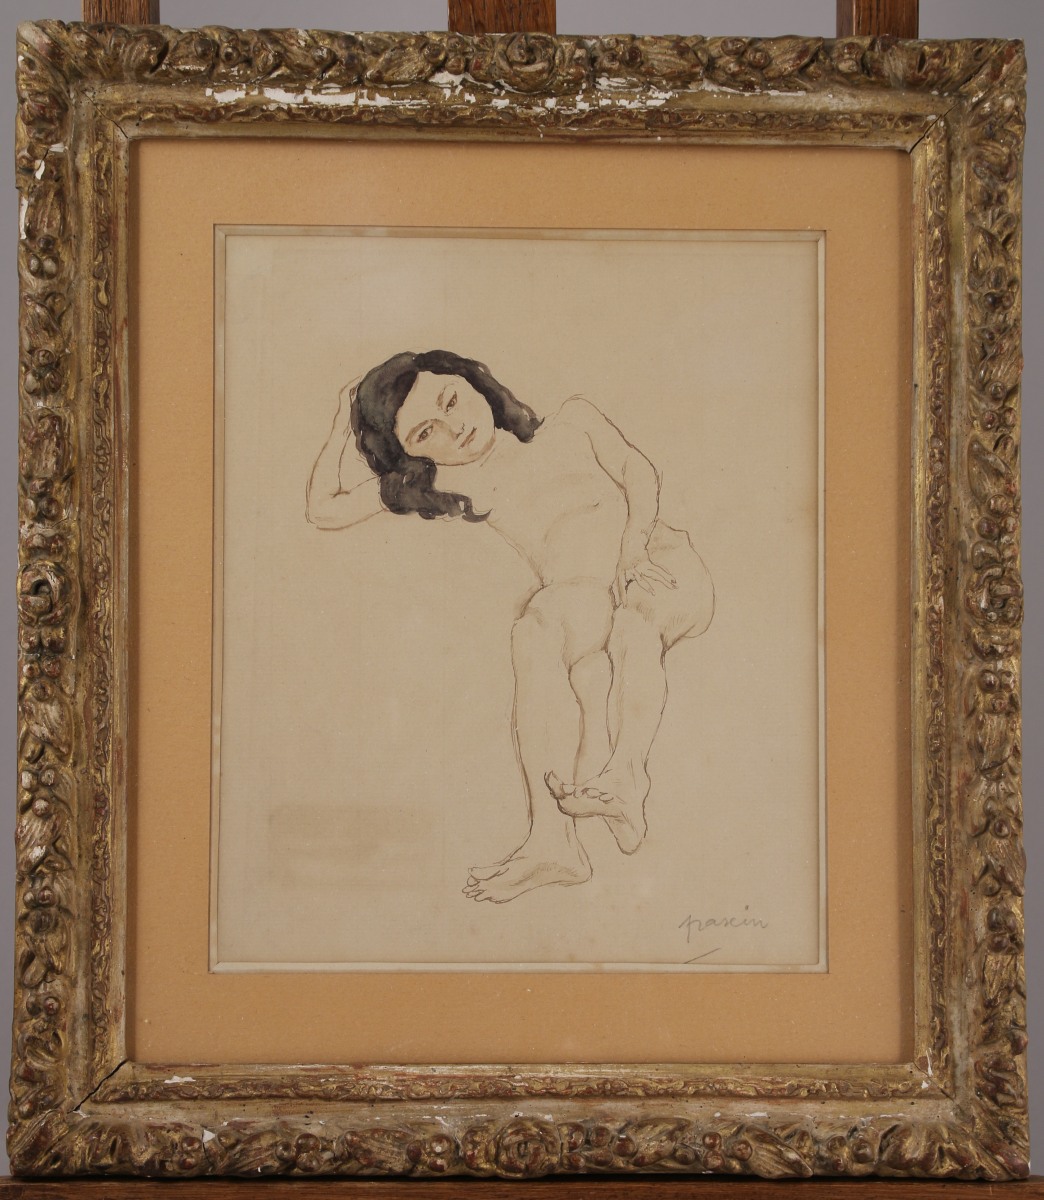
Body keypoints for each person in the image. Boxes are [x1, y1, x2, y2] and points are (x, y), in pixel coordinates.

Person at [306, 350, 713, 903]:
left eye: (452, 401)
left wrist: (633, 545)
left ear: (474, 382)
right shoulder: (452, 482)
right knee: (534, 629)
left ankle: (627, 777)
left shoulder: (572, 420)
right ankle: (553, 843)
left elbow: (637, 471)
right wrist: (341, 422)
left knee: (633, 624)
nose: (454, 428)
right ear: (411, 453)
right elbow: (323, 510)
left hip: (656, 561)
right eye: (427, 432)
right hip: (584, 593)